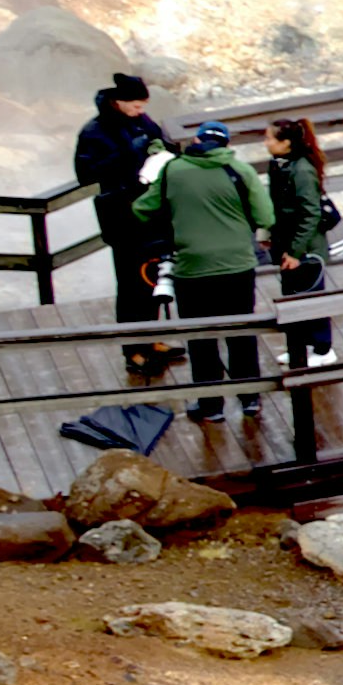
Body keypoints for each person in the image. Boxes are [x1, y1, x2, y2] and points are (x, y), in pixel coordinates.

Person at [148, 117, 277, 454]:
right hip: (237, 266)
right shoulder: (240, 170)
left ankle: (211, 406)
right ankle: (250, 398)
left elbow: (143, 208)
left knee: (201, 337)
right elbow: (266, 217)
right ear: (226, 144)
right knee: (242, 332)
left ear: (197, 141)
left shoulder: (173, 170)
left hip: (192, 268)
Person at [73, 71, 171, 378]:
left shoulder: (141, 121)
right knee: (130, 284)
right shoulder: (94, 131)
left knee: (152, 277)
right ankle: (133, 350)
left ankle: (151, 337)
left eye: (144, 105)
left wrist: (161, 150)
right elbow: (86, 173)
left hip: (150, 212)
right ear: (119, 102)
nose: (141, 110)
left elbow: (160, 141)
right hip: (120, 215)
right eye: (136, 105)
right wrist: (129, 152)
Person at [265, 116, 340, 373]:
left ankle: (323, 349)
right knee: (291, 296)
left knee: (311, 297)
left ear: (286, 142)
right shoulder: (278, 165)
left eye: (269, 138)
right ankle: (297, 346)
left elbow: (310, 215)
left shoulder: (302, 171)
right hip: (286, 241)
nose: (266, 143)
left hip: (307, 249)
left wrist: (296, 252)